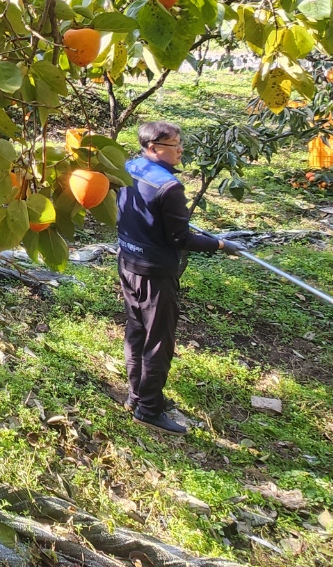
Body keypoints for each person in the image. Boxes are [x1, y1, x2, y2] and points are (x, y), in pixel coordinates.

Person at [116, 120, 242, 435]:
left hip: (128, 261)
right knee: (158, 341)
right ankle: (149, 409)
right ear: (153, 148)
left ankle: (138, 395)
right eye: (174, 146)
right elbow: (181, 239)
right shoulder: (170, 187)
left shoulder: (128, 166)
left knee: (136, 330)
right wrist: (221, 245)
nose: (181, 151)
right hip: (155, 273)